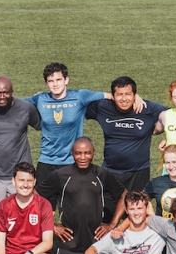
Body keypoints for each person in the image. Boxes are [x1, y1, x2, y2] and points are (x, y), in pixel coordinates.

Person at [39, 137, 126, 254]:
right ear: (72, 154)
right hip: (69, 242)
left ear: (93, 153)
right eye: (78, 153)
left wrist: (112, 224)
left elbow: (124, 196)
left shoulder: (102, 174)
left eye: (87, 153)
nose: (83, 157)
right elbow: (36, 198)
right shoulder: (60, 175)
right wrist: (51, 225)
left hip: (96, 241)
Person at [23, 62, 112, 195]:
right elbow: (13, 103)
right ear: (46, 83)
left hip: (70, 162)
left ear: (66, 80)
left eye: (59, 79)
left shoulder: (80, 96)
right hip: (46, 161)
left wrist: (136, 97)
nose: (55, 84)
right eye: (51, 81)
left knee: (71, 207)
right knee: (41, 207)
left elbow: (111, 95)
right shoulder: (40, 98)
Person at [86, 76, 166, 217]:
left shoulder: (148, 108)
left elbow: (175, 116)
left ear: (135, 95)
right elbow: (77, 102)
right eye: (119, 95)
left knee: (138, 215)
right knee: (106, 216)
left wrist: (169, 139)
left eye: (128, 94)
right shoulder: (103, 107)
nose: (124, 99)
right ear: (113, 96)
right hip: (110, 172)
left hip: (138, 173)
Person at [0, 76, 41, 201]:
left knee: (22, 216)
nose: (2, 96)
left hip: (20, 174)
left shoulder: (26, 108)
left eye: (5, 92)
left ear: (12, 92)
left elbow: (44, 127)